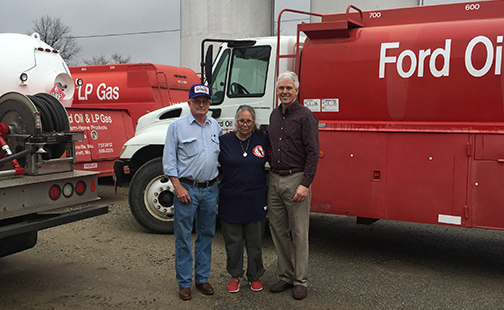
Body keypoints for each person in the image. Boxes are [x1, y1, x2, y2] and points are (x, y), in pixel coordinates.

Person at [163, 83, 221, 301]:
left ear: (209, 104)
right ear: (189, 103)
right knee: (184, 237)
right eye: (197, 101)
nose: (201, 104)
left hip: (209, 189)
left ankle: (202, 279)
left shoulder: (215, 126)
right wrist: (177, 187)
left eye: (205, 101)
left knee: (206, 235)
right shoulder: (177, 127)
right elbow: (169, 162)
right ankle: (184, 282)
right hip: (186, 189)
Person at [267, 71, 319, 300]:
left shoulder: (306, 116)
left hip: (296, 180)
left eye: (289, 88)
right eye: (281, 88)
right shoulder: (274, 116)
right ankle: (285, 276)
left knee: (299, 233)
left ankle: (301, 280)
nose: (285, 92)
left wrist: (305, 184)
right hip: (274, 179)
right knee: (278, 231)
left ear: (297, 91)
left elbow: (313, 153)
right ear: (277, 91)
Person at [218, 105, 269, 294]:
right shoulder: (224, 140)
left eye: (248, 121)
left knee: (255, 241)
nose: (245, 124)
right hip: (231, 198)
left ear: (253, 122)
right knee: (233, 242)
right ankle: (235, 275)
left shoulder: (263, 139)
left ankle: (254, 276)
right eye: (241, 121)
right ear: (235, 121)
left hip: (255, 199)